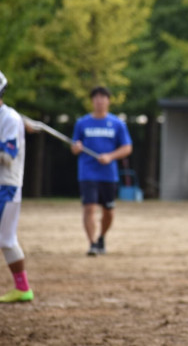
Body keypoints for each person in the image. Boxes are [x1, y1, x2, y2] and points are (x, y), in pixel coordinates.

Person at [0, 69, 34, 303]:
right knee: (6, 240)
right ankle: (22, 288)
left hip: (5, 187)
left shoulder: (10, 119)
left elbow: (7, 156)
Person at [71, 86, 132, 256]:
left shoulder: (117, 124)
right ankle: (92, 244)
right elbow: (74, 148)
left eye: (102, 98)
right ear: (92, 101)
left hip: (108, 174)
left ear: (108, 101)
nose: (99, 101)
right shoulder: (82, 123)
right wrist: (77, 147)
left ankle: (101, 237)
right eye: (96, 98)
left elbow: (127, 148)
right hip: (87, 172)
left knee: (109, 211)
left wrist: (110, 156)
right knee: (89, 208)